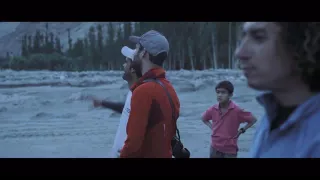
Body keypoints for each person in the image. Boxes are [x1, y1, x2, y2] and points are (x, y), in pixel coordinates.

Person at [235, 22, 320, 158]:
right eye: (243, 37)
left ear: (300, 42)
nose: (240, 53)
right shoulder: (271, 115)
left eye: (259, 37)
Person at [119, 30, 180, 158]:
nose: (134, 54)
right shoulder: (169, 89)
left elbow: (133, 145)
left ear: (144, 53)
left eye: (136, 49)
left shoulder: (143, 91)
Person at [90, 46, 141, 158]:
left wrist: (127, 152)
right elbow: (127, 109)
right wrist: (103, 103)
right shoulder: (134, 91)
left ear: (133, 69)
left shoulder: (141, 94)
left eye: (126, 62)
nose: (123, 65)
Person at [201, 80, 257, 158]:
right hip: (215, 148)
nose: (219, 95)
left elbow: (253, 120)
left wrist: (242, 130)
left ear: (230, 95)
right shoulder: (213, 109)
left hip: (230, 150)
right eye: (218, 92)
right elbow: (204, 118)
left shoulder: (237, 110)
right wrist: (212, 127)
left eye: (223, 92)